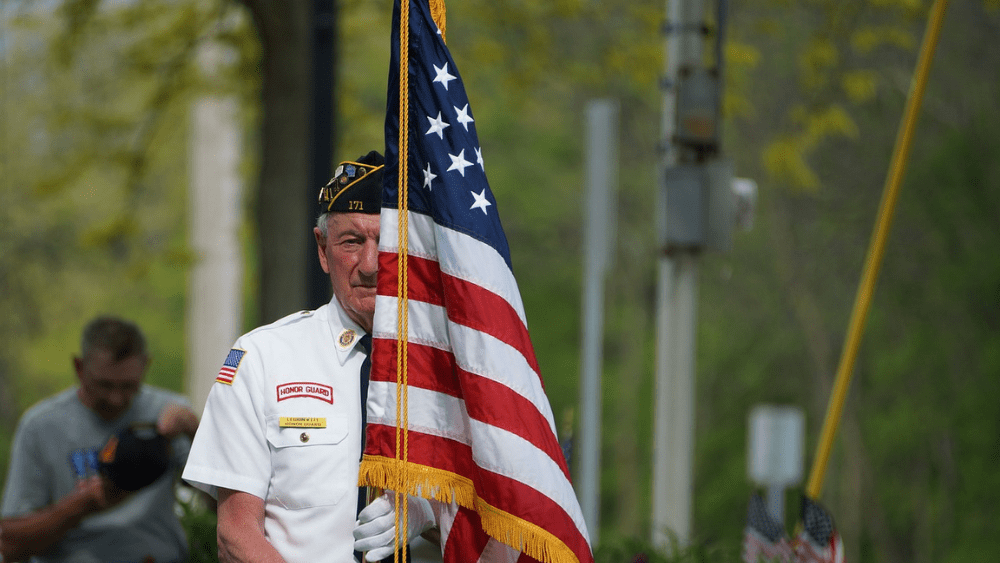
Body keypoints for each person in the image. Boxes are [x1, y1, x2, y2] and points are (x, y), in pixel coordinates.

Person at [182, 151, 437, 563]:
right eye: (351, 242)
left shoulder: (456, 369)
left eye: (389, 243)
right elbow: (236, 535)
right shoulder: (263, 358)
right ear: (323, 250)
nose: (370, 265)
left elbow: (509, 521)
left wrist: (430, 513)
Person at [0, 316, 201, 563]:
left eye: (129, 386)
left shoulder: (169, 414)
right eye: (104, 385)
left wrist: (197, 433)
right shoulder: (40, 426)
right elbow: (9, 545)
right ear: (79, 367)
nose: (116, 398)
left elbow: (219, 504)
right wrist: (81, 505)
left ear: (145, 366)